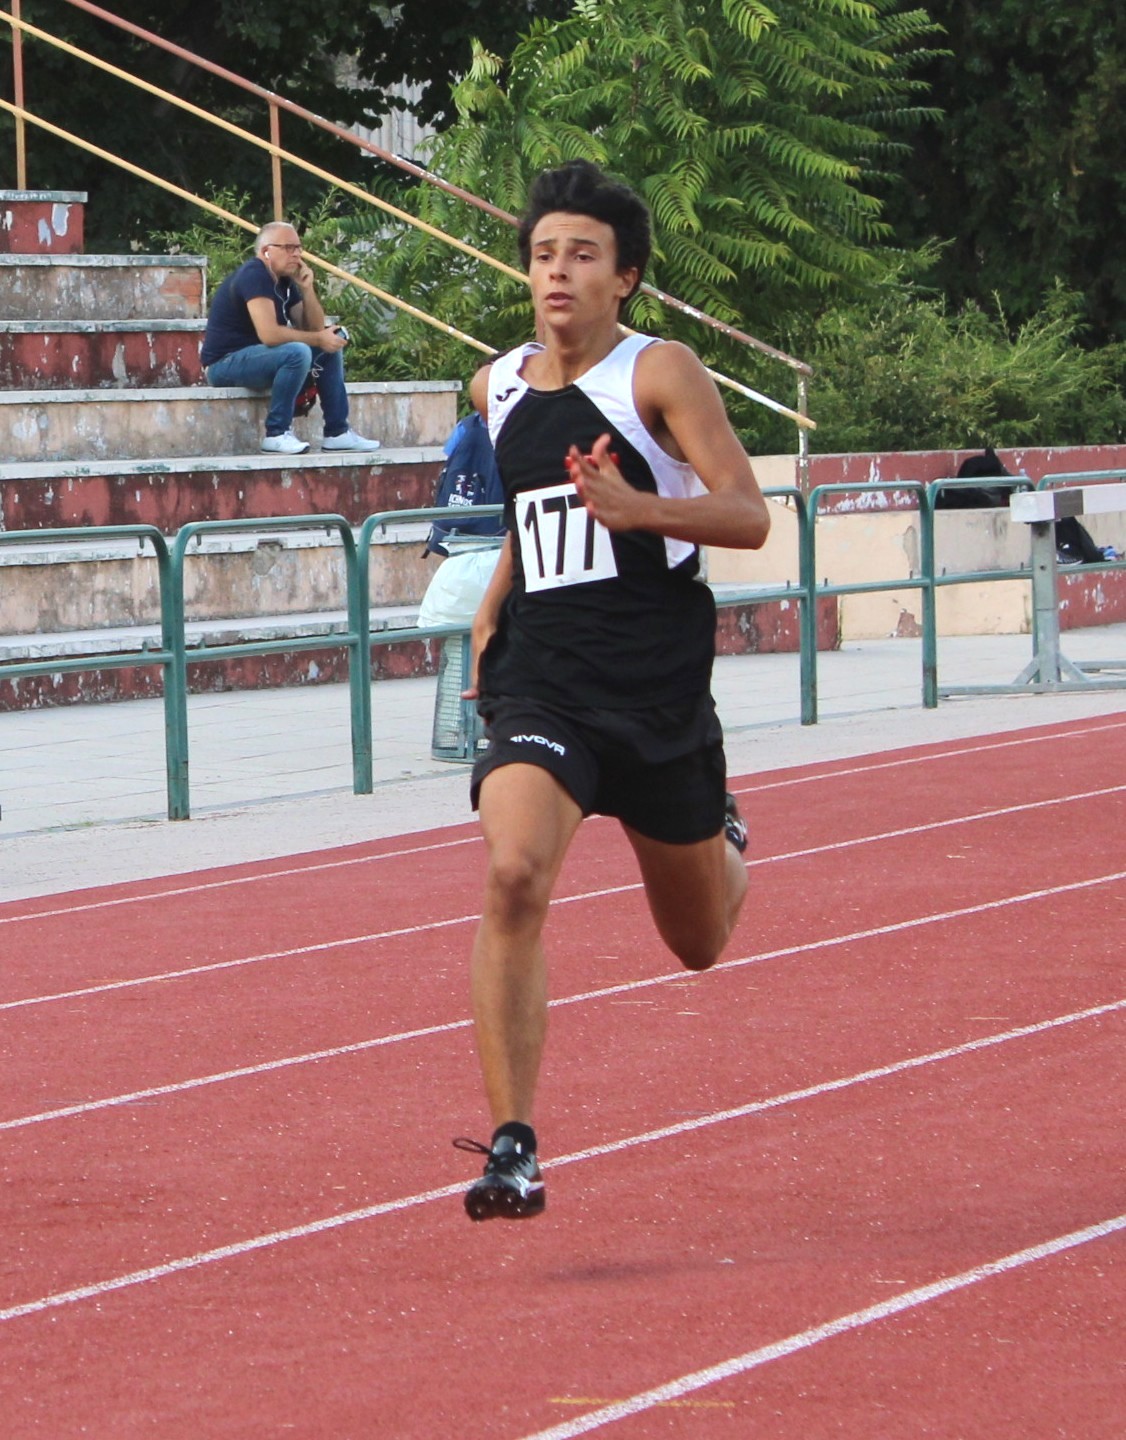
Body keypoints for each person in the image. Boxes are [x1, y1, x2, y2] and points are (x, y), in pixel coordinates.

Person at [454, 160, 772, 1222]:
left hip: (656, 690)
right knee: (513, 874)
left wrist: (640, 511)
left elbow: (747, 514)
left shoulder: (658, 374)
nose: (558, 272)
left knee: (698, 944)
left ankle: (722, 834)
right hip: (543, 684)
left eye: (582, 255)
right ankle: (513, 1146)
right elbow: (530, 513)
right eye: (543, 253)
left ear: (623, 276)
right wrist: (492, 606)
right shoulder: (495, 388)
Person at [200, 220, 380, 456]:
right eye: (288, 248)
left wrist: (307, 289)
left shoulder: (284, 282)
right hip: (224, 364)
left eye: (298, 248)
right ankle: (276, 434)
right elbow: (270, 334)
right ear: (267, 251)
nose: (296, 254)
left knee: (329, 345)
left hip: (261, 358)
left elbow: (313, 328)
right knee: (298, 351)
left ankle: (337, 432)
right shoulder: (254, 275)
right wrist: (317, 339)